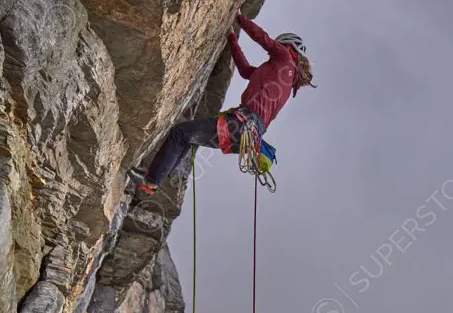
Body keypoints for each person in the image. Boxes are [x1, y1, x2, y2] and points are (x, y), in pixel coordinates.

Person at [130, 12, 315, 194]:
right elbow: (245, 71)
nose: (275, 48)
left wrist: (239, 18)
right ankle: (155, 178)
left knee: (180, 133)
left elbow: (263, 39)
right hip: (247, 134)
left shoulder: (284, 58)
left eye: (279, 45)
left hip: (242, 124)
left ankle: (152, 181)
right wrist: (232, 38)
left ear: (287, 46)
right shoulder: (282, 77)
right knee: (187, 136)